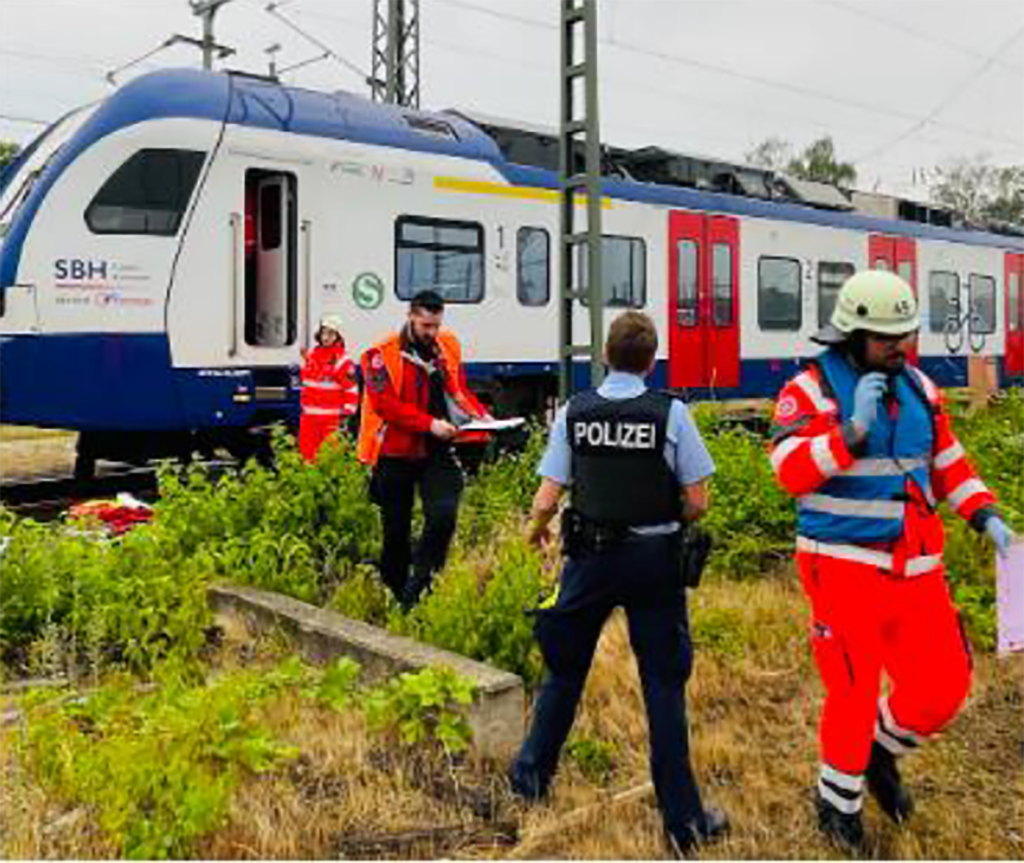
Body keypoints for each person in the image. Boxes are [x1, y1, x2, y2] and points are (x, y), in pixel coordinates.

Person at [768, 270, 1014, 850]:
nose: (899, 349)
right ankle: (837, 805)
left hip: (918, 570)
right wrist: (850, 433)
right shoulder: (809, 391)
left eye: (905, 336)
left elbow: (949, 461)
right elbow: (788, 471)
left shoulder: (921, 389)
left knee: (944, 685)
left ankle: (879, 753)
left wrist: (985, 515)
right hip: (843, 568)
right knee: (852, 693)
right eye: (886, 339)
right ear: (852, 335)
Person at [509, 311, 728, 857]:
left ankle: (530, 781)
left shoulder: (575, 412)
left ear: (606, 356)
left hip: (589, 559)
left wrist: (534, 533)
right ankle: (684, 822)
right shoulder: (671, 413)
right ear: (652, 361)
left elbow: (547, 493)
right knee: (662, 683)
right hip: (655, 564)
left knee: (564, 671)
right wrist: (665, 515)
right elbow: (698, 500)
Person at [357, 290, 492, 608]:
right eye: (426, 326)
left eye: (436, 325)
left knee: (443, 515)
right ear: (411, 317)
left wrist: (479, 416)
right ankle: (395, 595)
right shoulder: (378, 354)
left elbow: (456, 391)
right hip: (394, 452)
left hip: (437, 449)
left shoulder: (448, 345)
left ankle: (421, 588)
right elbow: (386, 405)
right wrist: (430, 424)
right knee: (395, 532)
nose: (432, 333)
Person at [298, 315, 359, 462]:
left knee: (328, 459)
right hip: (309, 419)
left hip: (330, 420)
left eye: (331, 333)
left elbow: (351, 390)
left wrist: (347, 414)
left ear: (338, 337)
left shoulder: (342, 361)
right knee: (306, 457)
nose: (326, 337)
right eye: (324, 332)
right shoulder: (313, 356)